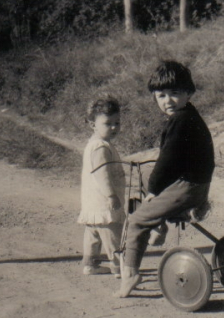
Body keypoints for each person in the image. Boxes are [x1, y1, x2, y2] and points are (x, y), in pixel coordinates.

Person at [115, 60, 215, 297]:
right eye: (161, 96)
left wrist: (152, 193)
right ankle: (159, 223)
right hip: (197, 183)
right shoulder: (188, 115)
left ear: (188, 93)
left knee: (137, 219)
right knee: (147, 173)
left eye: (175, 94)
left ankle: (130, 274)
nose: (167, 101)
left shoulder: (180, 120)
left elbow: (168, 160)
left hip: (188, 186)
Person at [77, 96, 125, 278]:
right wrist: (111, 195)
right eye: (108, 123)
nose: (114, 127)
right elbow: (102, 174)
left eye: (117, 122)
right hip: (104, 202)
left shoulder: (94, 145)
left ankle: (91, 265)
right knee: (112, 235)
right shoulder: (100, 147)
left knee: (93, 234)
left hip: (92, 202)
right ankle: (119, 267)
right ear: (92, 124)